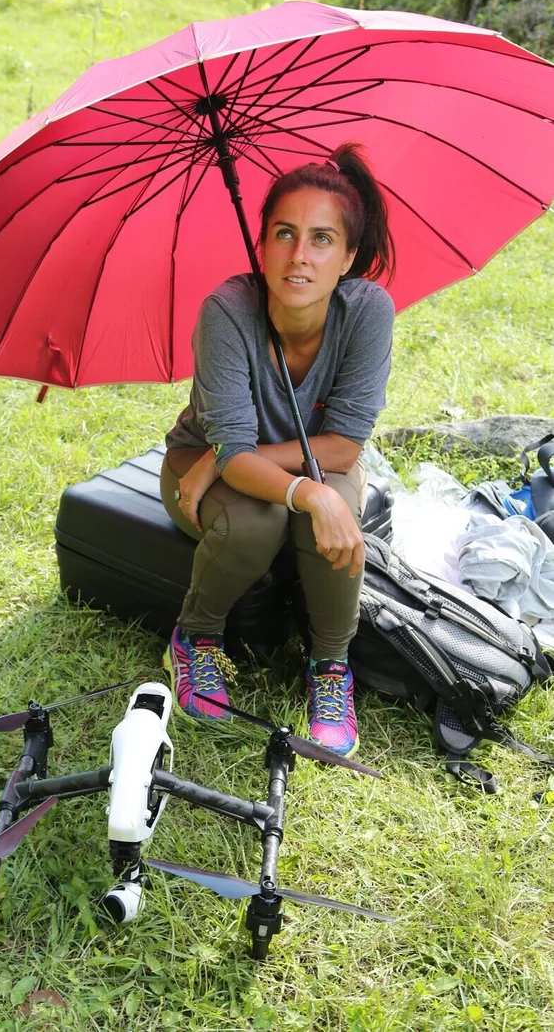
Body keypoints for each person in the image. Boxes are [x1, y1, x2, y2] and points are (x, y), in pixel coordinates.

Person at [159, 143, 395, 759]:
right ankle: (195, 637)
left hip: (291, 457)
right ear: (261, 243)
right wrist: (297, 487)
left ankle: (330, 664)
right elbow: (232, 454)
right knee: (255, 523)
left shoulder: (368, 311)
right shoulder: (227, 312)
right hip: (199, 461)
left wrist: (310, 489)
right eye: (284, 233)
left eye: (322, 239)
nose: (299, 256)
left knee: (337, 519)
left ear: (348, 257)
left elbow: (343, 447)